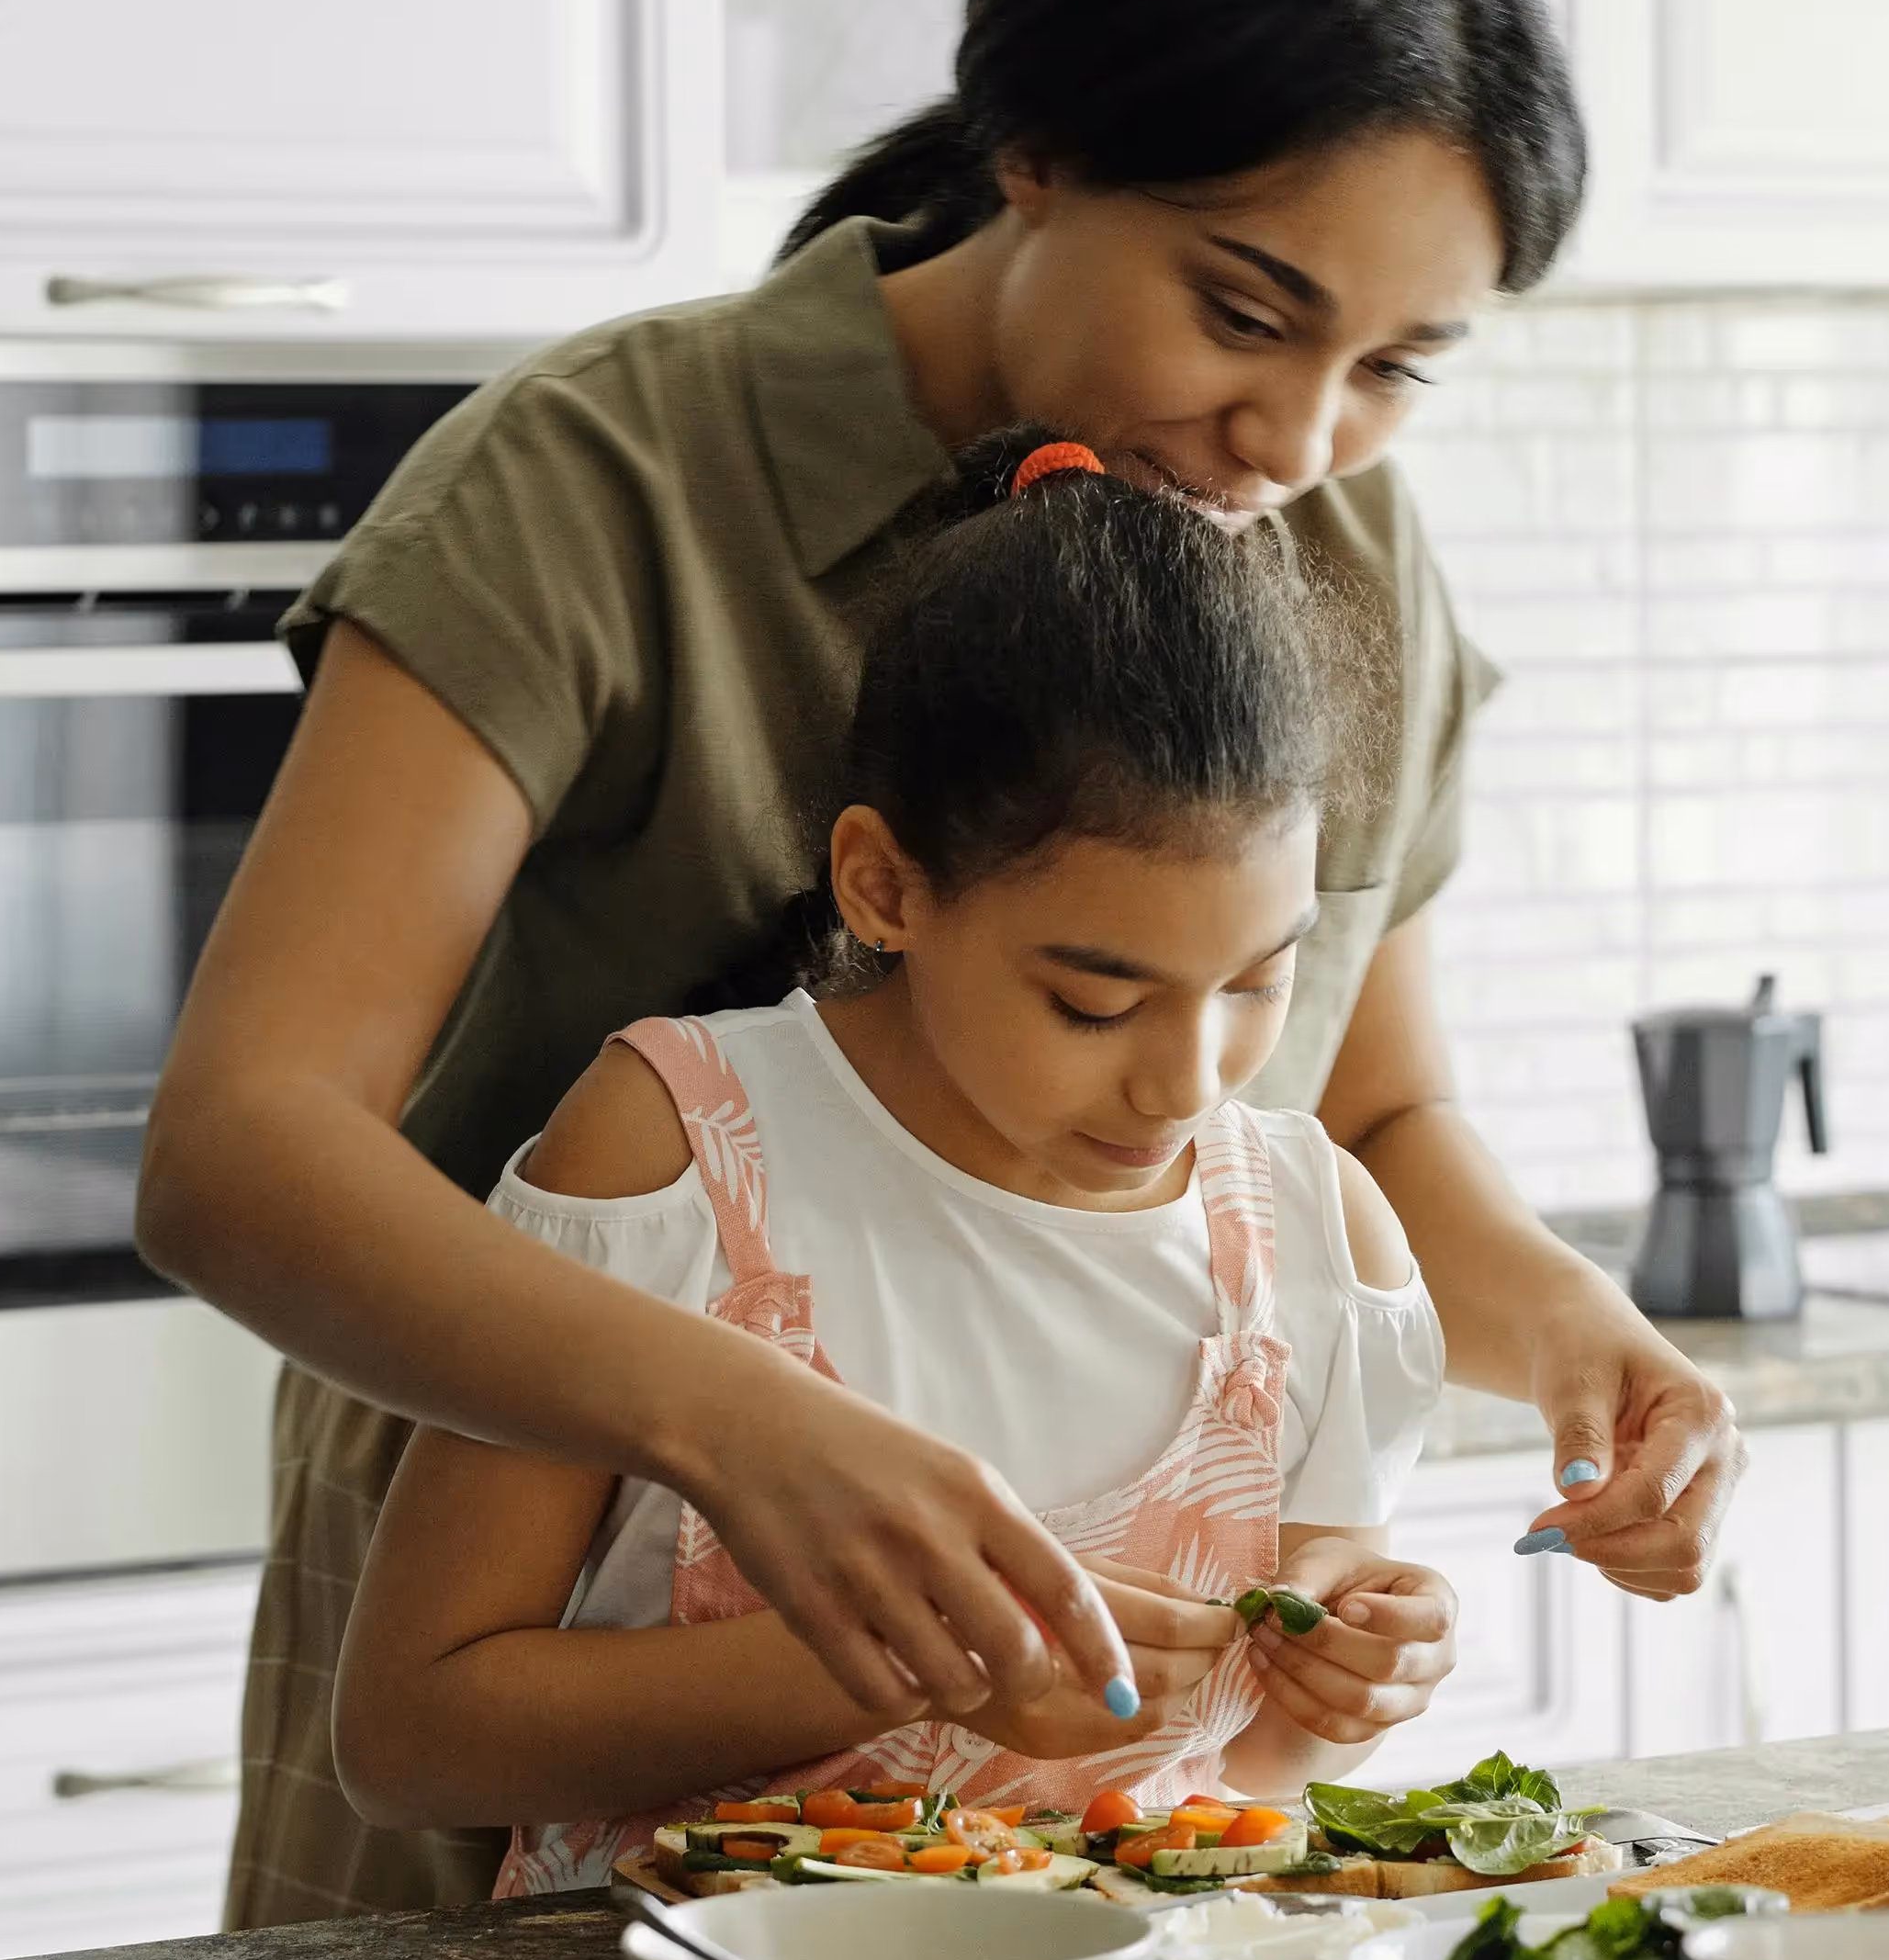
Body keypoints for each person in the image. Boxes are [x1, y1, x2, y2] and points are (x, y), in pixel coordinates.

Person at [140, 0, 1747, 1922]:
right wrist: (745, 1430)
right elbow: (241, 1152)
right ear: (1038, 155)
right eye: (1244, 311)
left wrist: (1565, 1334)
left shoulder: (1335, 548)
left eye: (1391, 372)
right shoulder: (598, 482)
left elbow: (1358, 1107)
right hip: (543, 1651)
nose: (1298, 436)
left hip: (1068, 1841)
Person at [337, 435, 1446, 1882]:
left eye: (1257, 982)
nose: (1188, 1079)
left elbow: (1252, 1780)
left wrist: (1343, 1689)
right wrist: (908, 1664)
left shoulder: (1313, 1237)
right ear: (884, 885)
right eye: (1094, 1001)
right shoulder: (678, 1156)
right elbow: (411, 1738)